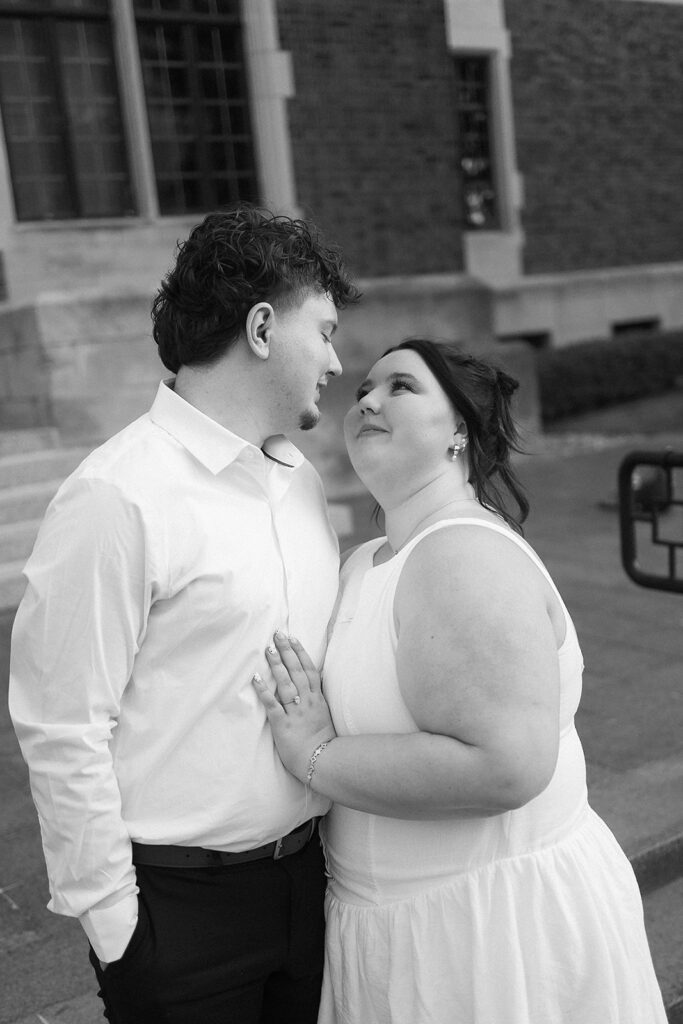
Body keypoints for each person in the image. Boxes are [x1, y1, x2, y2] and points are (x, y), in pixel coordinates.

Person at [9, 203, 360, 1024]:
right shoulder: (116, 495)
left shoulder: (299, 480)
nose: (338, 361)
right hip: (179, 917)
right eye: (327, 330)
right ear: (264, 327)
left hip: (311, 884)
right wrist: (120, 934)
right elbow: (62, 726)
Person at [253, 338, 668, 1024]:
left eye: (401, 387)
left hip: (489, 937)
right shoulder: (364, 561)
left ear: (457, 434)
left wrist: (312, 756)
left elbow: (501, 766)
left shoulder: (462, 553)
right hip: (391, 927)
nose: (367, 399)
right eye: (363, 390)